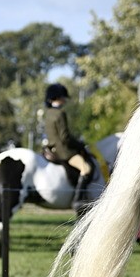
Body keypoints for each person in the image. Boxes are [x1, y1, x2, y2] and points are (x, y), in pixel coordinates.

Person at [43, 83, 94, 213]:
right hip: (63, 151)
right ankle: (78, 200)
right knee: (86, 168)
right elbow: (65, 137)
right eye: (63, 97)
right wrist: (79, 144)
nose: (65, 100)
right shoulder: (60, 113)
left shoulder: (48, 113)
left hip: (51, 148)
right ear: (58, 97)